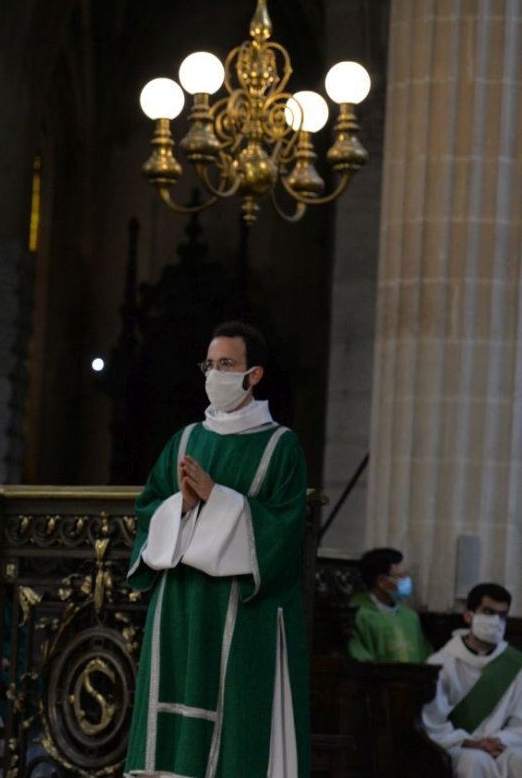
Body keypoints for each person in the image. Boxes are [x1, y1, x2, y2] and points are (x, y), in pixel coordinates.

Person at [124, 321, 309, 778]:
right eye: (210, 364)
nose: (214, 374)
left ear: (254, 375)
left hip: (240, 611)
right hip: (179, 604)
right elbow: (149, 511)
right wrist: (182, 507)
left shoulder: (280, 446)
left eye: (227, 364)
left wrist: (217, 497)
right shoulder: (185, 440)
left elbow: (284, 532)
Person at [422, 583, 522, 778]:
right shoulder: (441, 664)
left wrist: (496, 741)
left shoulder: (515, 665)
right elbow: (433, 723)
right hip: (460, 746)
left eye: (502, 615)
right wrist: (473, 743)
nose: (495, 621)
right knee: (477, 761)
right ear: (469, 616)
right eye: (488, 612)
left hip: (502, 744)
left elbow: (520, 723)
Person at [347, 547, 433, 663]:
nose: (406, 581)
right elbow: (358, 655)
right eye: (400, 576)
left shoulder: (410, 618)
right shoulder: (358, 615)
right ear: (381, 581)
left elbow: (426, 657)